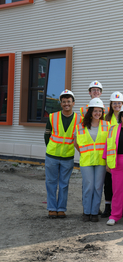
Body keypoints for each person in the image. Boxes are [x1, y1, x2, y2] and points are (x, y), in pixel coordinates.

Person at [44, 90, 81, 219]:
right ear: (61, 103)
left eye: (69, 102)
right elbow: (46, 135)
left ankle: (61, 209)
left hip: (68, 157)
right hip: (52, 156)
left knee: (64, 184)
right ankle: (52, 208)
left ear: (73, 103)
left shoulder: (79, 119)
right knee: (51, 183)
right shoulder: (52, 117)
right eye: (64, 102)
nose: (66, 104)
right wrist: (51, 148)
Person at [74, 98, 108, 222]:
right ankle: (86, 212)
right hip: (86, 161)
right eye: (95, 111)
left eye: (100, 111)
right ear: (90, 112)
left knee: (98, 187)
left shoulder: (107, 125)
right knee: (88, 186)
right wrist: (84, 153)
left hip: (101, 161)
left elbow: (110, 144)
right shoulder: (80, 126)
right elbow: (76, 143)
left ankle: (94, 212)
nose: (97, 113)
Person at [101, 91, 123, 218]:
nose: (117, 105)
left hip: (122, 155)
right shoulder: (106, 119)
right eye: (114, 103)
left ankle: (121, 206)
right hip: (109, 154)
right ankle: (108, 206)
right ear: (111, 104)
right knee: (108, 183)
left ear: (122, 104)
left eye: (119, 103)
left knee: (122, 184)